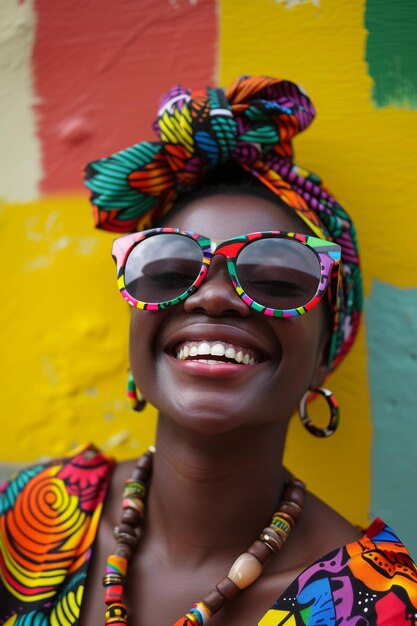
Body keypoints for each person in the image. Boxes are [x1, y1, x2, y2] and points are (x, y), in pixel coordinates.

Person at [0, 75, 416, 625]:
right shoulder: (29, 520)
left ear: (325, 350)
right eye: (169, 270)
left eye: (277, 278)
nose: (215, 297)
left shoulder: (375, 606)